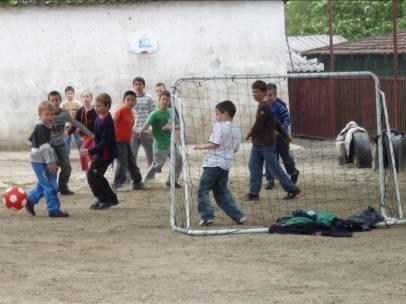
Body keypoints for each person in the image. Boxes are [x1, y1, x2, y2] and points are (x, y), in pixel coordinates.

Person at [243, 80, 301, 201]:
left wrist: (250, 133)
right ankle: (254, 193)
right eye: (253, 92)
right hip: (258, 143)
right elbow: (275, 122)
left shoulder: (264, 106)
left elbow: (260, 123)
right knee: (253, 166)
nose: (254, 94)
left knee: (274, 167)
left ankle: (292, 188)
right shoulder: (265, 106)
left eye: (257, 92)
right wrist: (285, 135)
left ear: (264, 92)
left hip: (266, 144)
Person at [194, 100, 246, 226]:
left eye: (217, 114)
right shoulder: (236, 129)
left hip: (213, 164)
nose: (216, 117)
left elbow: (215, 144)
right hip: (225, 165)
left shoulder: (220, 126)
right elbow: (236, 149)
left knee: (202, 189)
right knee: (221, 192)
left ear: (225, 113)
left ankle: (207, 216)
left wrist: (202, 146)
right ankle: (238, 216)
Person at [25, 101, 69, 217]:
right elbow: (44, 147)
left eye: (52, 114)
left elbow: (30, 140)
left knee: (44, 183)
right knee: (51, 186)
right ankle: (53, 210)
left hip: (40, 160)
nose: (50, 117)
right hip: (42, 161)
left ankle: (30, 200)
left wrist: (35, 148)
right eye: (47, 114)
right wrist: (50, 162)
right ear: (40, 114)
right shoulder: (42, 127)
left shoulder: (41, 126)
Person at [48, 91, 93, 195]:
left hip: (61, 146)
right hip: (50, 147)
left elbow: (76, 123)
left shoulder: (64, 114)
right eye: (52, 100)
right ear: (49, 102)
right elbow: (38, 126)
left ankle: (63, 188)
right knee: (53, 168)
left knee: (67, 168)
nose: (55, 102)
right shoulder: (46, 114)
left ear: (60, 100)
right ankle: (52, 189)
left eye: (57, 100)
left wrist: (89, 133)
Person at [80, 93, 119, 210]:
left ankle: (103, 199)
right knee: (97, 175)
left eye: (99, 106)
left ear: (107, 106)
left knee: (92, 175)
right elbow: (97, 136)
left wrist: (89, 151)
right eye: (95, 106)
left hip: (106, 154)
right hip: (101, 152)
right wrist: (89, 141)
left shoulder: (108, 122)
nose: (96, 108)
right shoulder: (98, 118)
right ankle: (111, 198)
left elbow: (105, 142)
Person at [139, 90, 182, 188]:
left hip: (171, 143)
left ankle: (171, 181)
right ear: (159, 100)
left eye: (167, 99)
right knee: (157, 165)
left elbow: (179, 126)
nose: (165, 101)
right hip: (160, 145)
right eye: (163, 99)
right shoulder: (154, 114)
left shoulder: (171, 112)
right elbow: (146, 125)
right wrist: (140, 131)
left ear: (170, 101)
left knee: (179, 160)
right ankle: (145, 181)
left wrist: (171, 127)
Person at [264, 83, 299, 190]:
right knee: (270, 159)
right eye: (267, 95)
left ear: (275, 96)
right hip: (269, 139)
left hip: (281, 138)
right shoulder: (264, 106)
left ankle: (293, 172)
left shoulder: (280, 106)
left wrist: (281, 130)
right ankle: (270, 180)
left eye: (270, 95)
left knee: (286, 158)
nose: (268, 97)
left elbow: (288, 119)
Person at [113, 91, 144, 192]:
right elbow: (111, 123)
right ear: (124, 100)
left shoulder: (131, 113)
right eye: (128, 100)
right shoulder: (120, 111)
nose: (130, 102)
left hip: (127, 142)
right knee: (123, 163)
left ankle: (137, 182)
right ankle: (117, 184)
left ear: (135, 101)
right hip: (118, 141)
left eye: (132, 100)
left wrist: (137, 131)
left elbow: (130, 127)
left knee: (132, 162)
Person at [67, 89, 97, 181]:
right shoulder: (80, 110)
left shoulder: (95, 110)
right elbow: (75, 123)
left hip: (93, 135)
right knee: (90, 154)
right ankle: (93, 171)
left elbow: (99, 122)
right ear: (81, 98)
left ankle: (87, 172)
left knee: (82, 151)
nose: (85, 98)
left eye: (87, 96)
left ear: (91, 98)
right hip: (84, 136)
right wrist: (68, 132)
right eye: (84, 96)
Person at [131, 76, 155, 169]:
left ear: (143, 86)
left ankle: (151, 175)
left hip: (145, 131)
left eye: (140, 84)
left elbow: (153, 114)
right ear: (133, 86)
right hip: (133, 131)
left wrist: (151, 129)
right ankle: (131, 175)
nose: (138, 86)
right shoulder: (131, 98)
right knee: (132, 154)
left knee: (150, 154)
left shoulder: (149, 98)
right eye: (136, 84)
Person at [61, 86, 82, 155]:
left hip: (76, 125)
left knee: (79, 141)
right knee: (66, 141)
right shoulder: (62, 104)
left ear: (73, 94)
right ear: (65, 94)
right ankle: (66, 157)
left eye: (71, 93)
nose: (69, 95)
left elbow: (81, 114)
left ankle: (83, 155)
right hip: (67, 126)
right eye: (68, 93)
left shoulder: (78, 103)